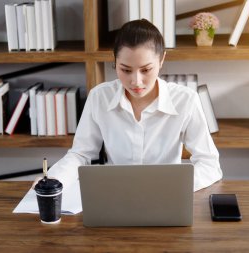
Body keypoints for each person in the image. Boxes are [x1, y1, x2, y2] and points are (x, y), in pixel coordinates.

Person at [35, 19, 222, 191]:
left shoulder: (186, 100)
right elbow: (80, 154)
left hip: (168, 196)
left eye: (146, 70)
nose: (136, 81)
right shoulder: (99, 97)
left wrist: (173, 187)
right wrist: (54, 179)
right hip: (116, 194)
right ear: (115, 62)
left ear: (162, 60)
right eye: (125, 70)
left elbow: (209, 165)